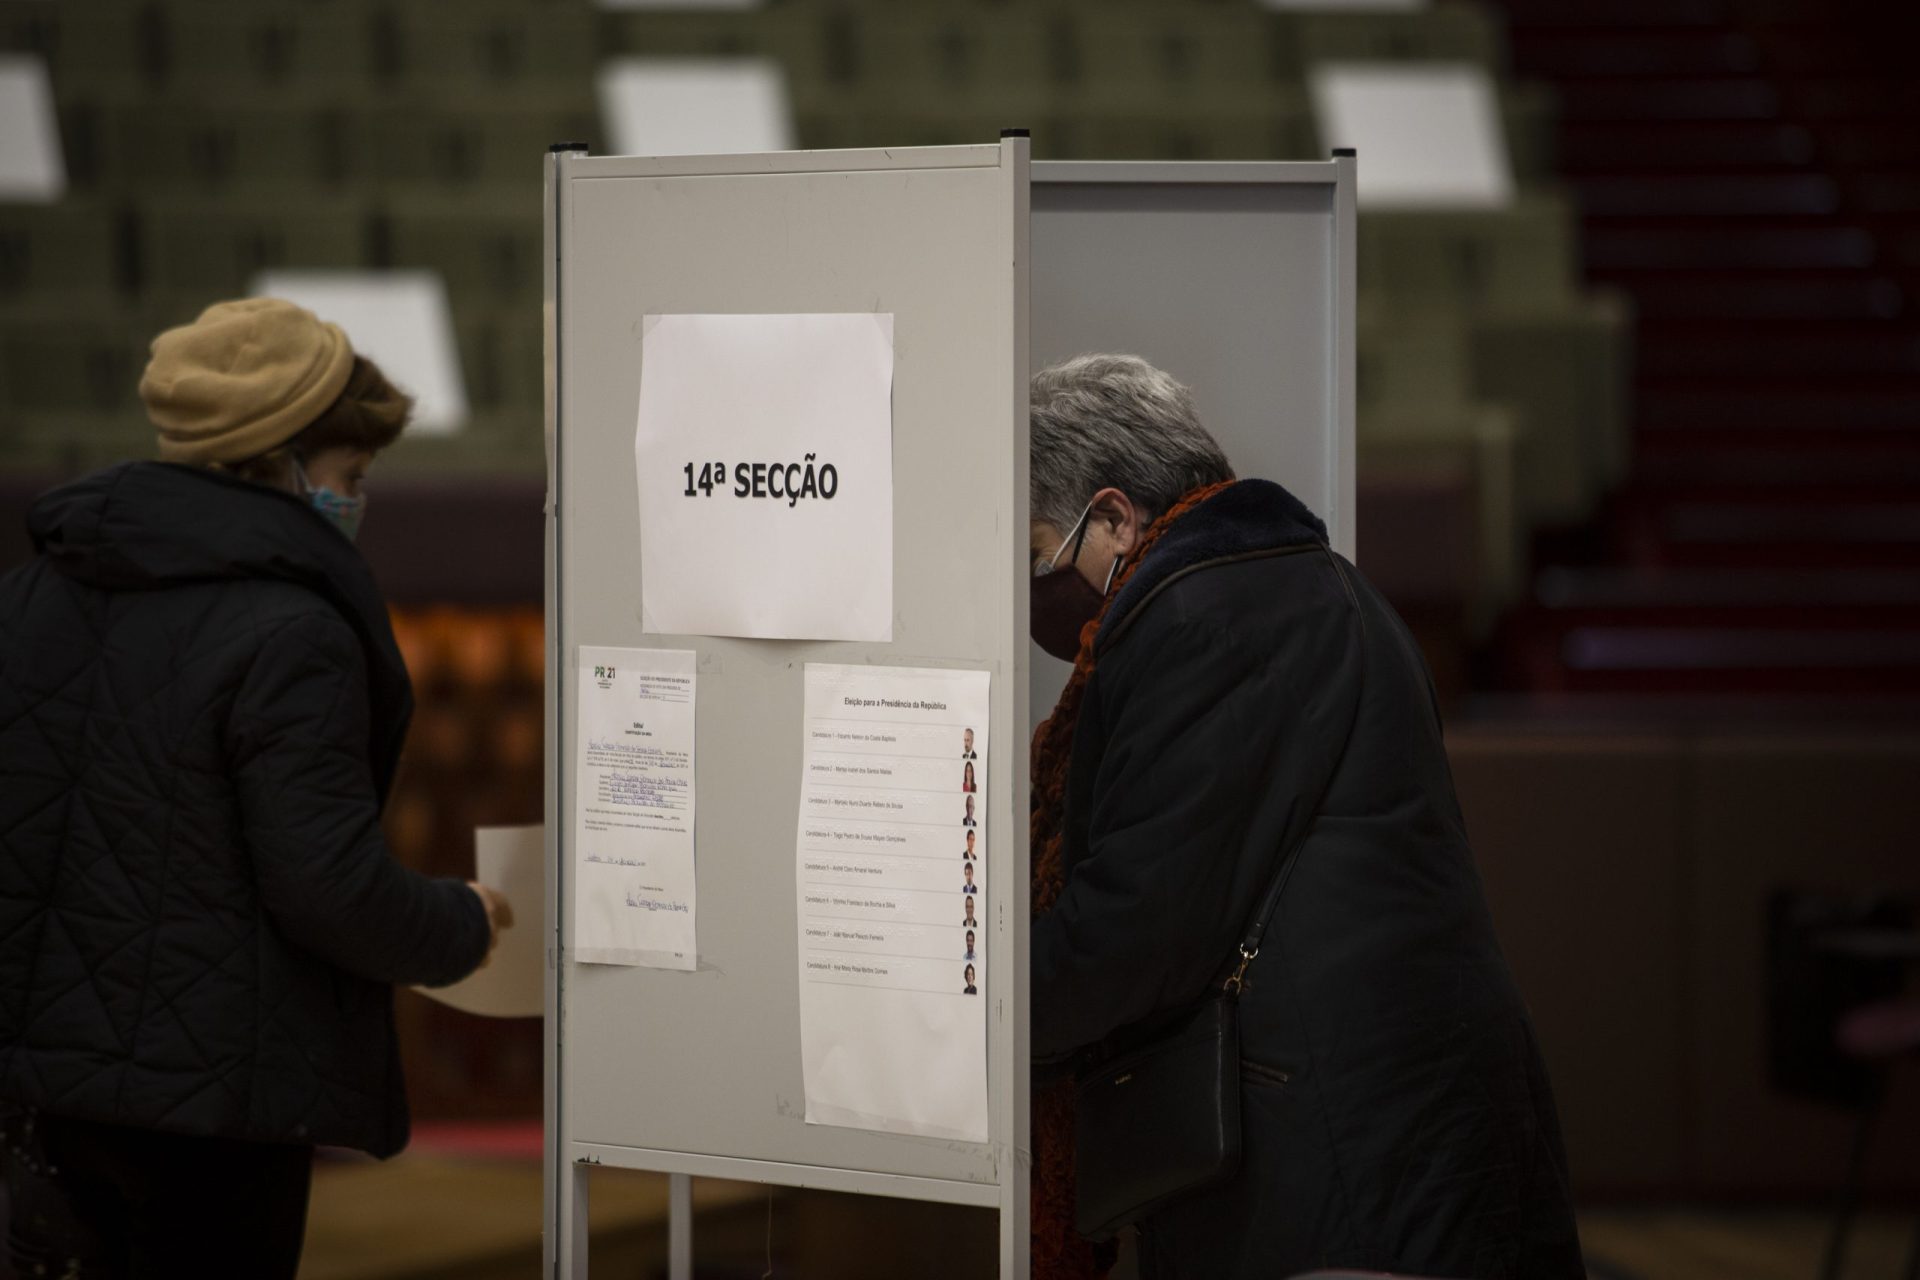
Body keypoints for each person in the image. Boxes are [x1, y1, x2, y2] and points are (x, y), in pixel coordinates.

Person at [1025, 355, 1581, 1280]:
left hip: (1337, 1136)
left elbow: (1139, 927)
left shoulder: (1200, 620)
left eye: (1040, 550)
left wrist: (972, 1012)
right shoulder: (1318, 584)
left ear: (1115, 519)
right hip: (1402, 1108)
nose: (1034, 586)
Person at [0, 299, 512, 1279]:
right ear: (275, 462)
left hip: (40, 1109)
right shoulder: (292, 632)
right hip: (210, 1125)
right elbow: (326, 885)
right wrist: (463, 922)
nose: (357, 503)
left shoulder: (30, 593)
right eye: (350, 477)